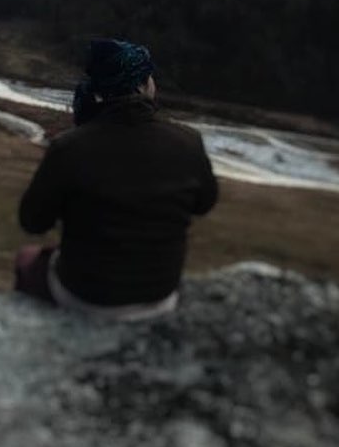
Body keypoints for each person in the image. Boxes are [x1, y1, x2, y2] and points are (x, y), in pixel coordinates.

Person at [14, 38, 217, 319]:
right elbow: (205, 203)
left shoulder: (69, 147)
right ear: (143, 85)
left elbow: (32, 221)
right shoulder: (189, 142)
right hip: (160, 296)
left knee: (27, 258)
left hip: (82, 295)